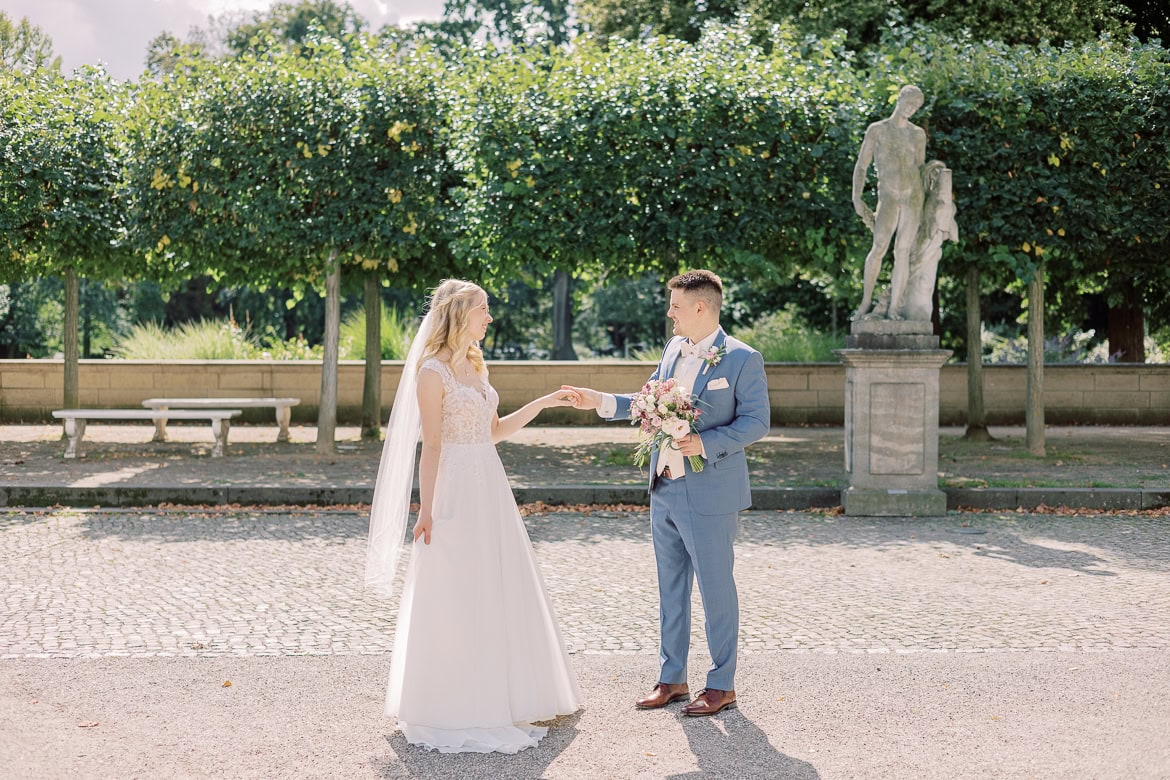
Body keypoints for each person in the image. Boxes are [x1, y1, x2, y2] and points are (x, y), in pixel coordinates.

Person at [365, 279, 582, 754]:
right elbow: (434, 445)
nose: (489, 317)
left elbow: (495, 431)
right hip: (456, 493)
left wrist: (543, 403)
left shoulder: (477, 366)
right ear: (460, 314)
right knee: (457, 590)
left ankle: (504, 692)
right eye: (483, 310)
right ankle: (451, 699)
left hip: (490, 488)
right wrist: (426, 509)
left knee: (496, 586)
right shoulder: (431, 373)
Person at [561, 270, 770, 716]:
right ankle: (672, 679)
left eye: (675, 305)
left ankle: (722, 684)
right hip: (665, 488)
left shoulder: (742, 358)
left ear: (701, 307)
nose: (669, 313)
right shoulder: (674, 349)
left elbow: (757, 422)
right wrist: (597, 400)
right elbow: (646, 401)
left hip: (711, 492)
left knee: (716, 590)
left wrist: (706, 444)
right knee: (670, 589)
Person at [851, 84, 928, 321]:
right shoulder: (878, 130)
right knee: (879, 247)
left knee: (903, 252)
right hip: (889, 195)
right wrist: (856, 195)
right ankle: (865, 303)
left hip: (913, 197)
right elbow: (862, 166)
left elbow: (920, 168)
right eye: (909, 103)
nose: (911, 109)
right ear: (900, 98)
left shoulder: (917, 134)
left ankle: (895, 307)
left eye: (916, 107)